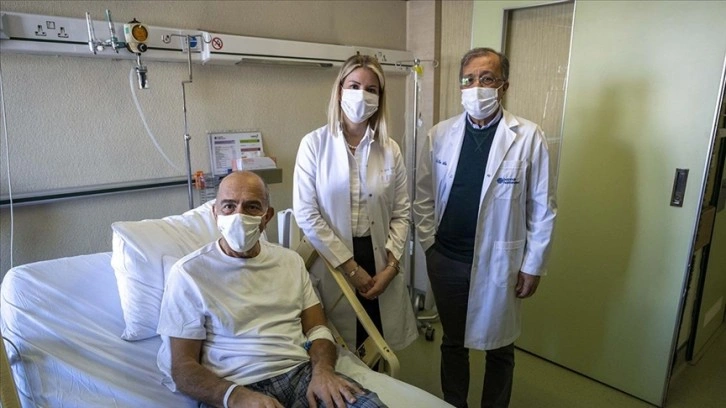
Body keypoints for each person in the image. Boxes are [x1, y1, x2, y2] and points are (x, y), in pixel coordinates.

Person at [156, 171, 386, 408]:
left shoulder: (290, 262)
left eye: (252, 207)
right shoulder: (189, 274)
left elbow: (318, 329)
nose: (239, 216)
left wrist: (323, 372)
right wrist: (235, 397)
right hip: (235, 385)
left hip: (302, 375)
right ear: (215, 214)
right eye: (229, 206)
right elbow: (183, 368)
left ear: (267, 216)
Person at [413, 47, 557, 408]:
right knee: (453, 342)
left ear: (503, 86)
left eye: (487, 78)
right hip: (447, 259)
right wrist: (430, 246)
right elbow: (423, 197)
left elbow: (542, 207)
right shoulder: (439, 135)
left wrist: (533, 265)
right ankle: (454, 402)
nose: (477, 86)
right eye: (469, 79)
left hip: (500, 262)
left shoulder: (528, 136)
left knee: (501, 347)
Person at [293, 55, 418, 352]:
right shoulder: (314, 144)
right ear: (340, 91)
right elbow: (306, 213)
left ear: (379, 98)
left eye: (371, 89)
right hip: (334, 258)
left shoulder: (390, 149)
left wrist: (391, 267)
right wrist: (350, 268)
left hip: (380, 258)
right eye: (354, 86)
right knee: (340, 349)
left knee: (379, 346)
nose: (362, 95)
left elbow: (401, 213)